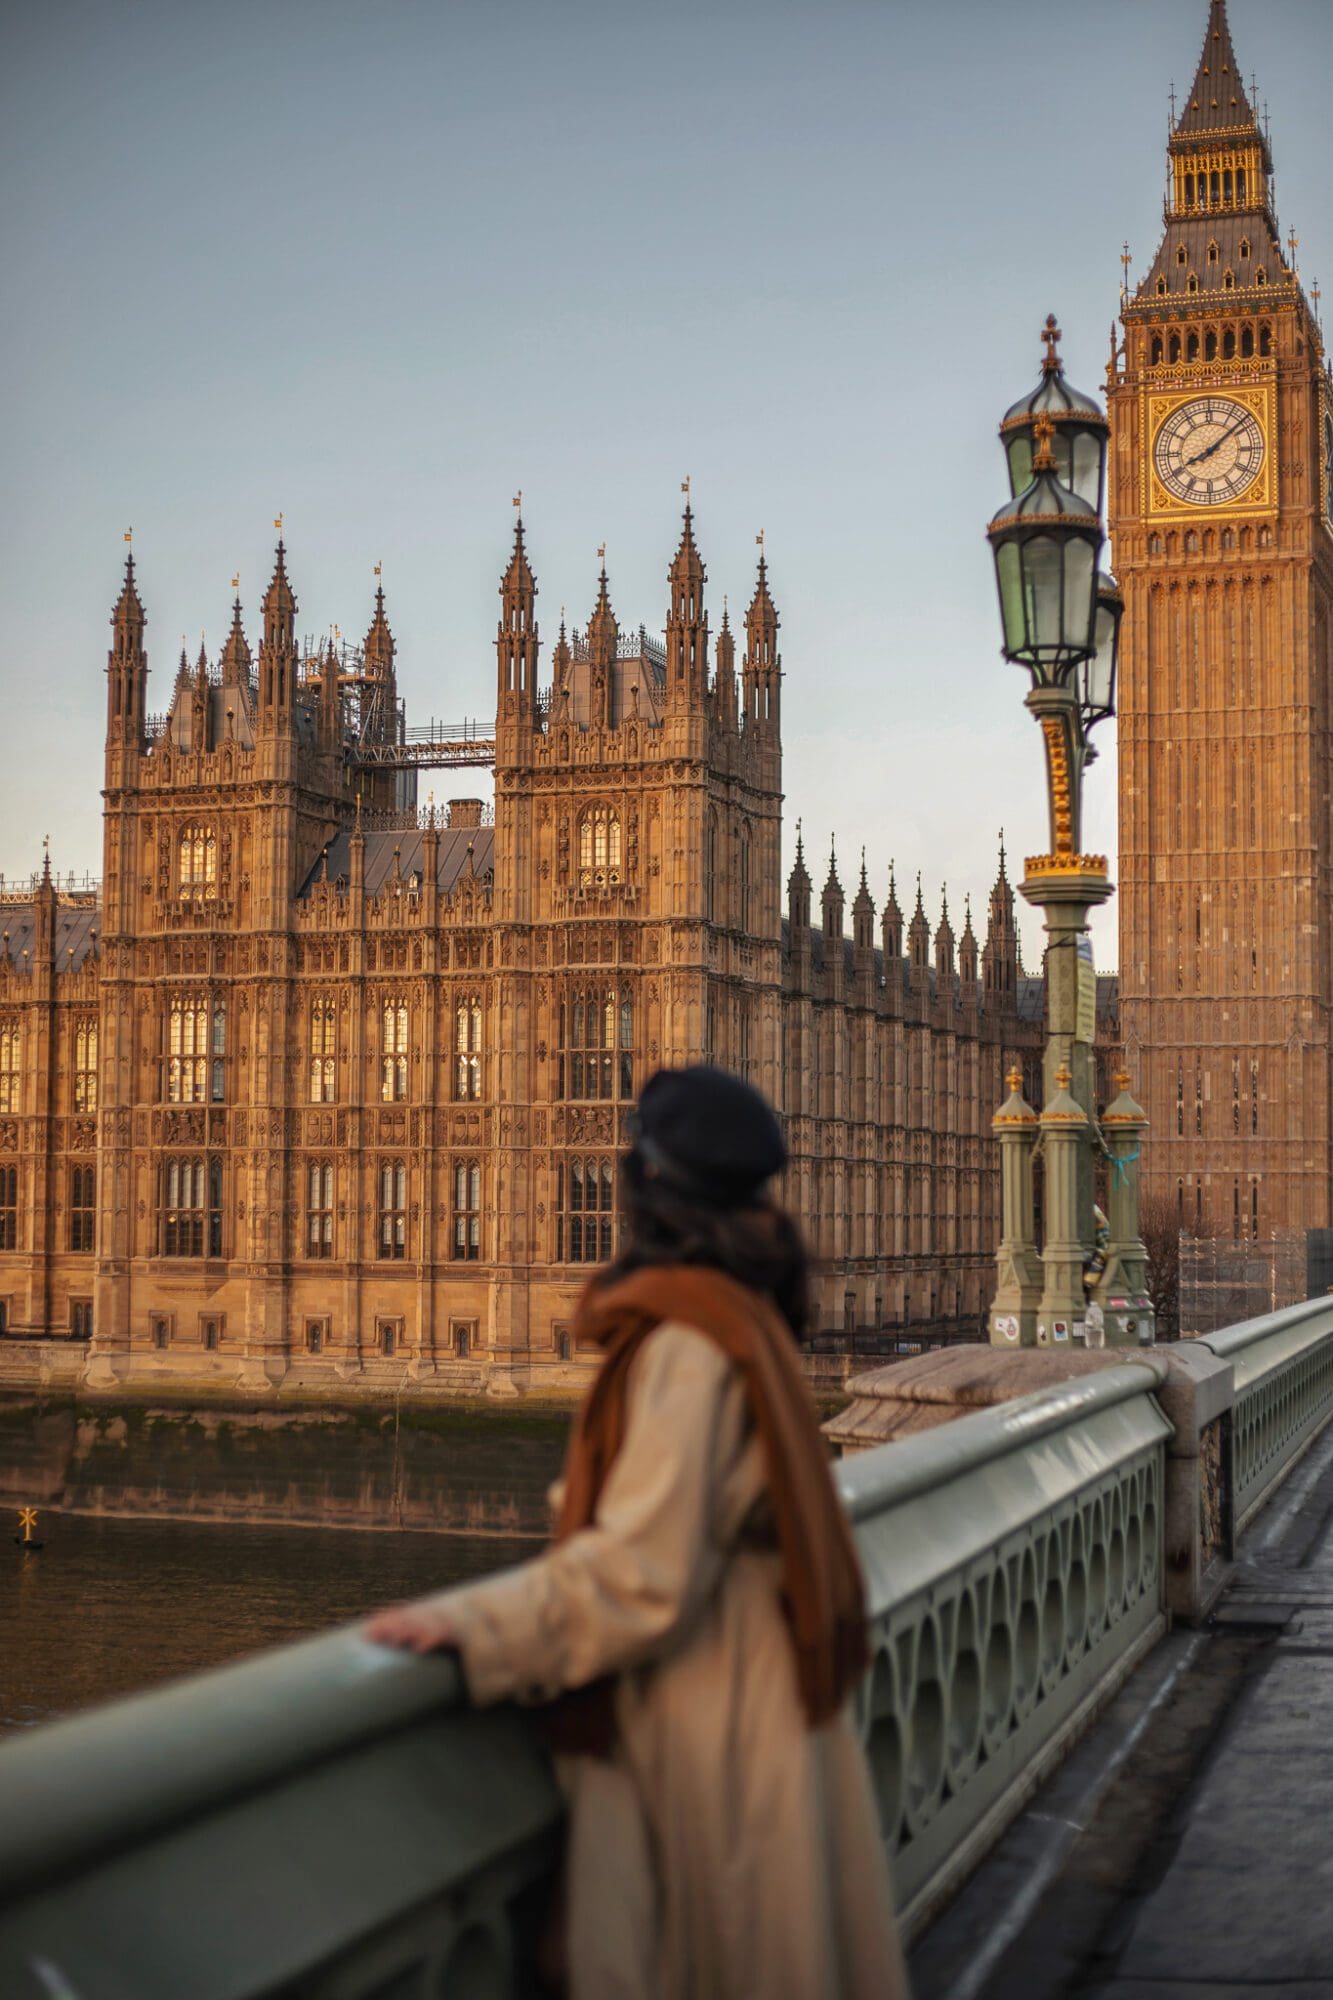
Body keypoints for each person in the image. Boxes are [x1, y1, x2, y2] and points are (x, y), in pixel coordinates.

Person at [365, 1065, 907, 2000]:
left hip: (715, 1728)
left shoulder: (686, 1344)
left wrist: (476, 1625)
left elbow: (643, 1576)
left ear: (646, 1192)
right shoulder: (748, 1318)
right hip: (764, 1698)